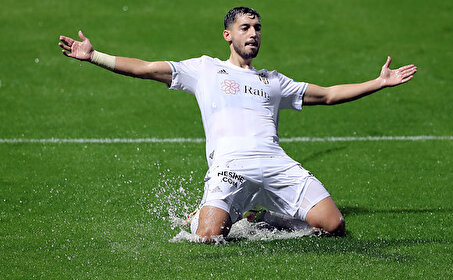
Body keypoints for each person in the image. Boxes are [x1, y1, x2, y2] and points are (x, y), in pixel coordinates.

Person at [59, 7, 417, 242]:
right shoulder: (204, 69)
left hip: (276, 164)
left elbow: (326, 95)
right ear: (228, 35)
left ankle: (262, 214)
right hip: (230, 166)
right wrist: (95, 56)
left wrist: (378, 82)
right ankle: (206, 213)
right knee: (208, 238)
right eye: (245, 27)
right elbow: (148, 68)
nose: (254, 33)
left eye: (258, 28)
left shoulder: (273, 80)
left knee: (334, 225)